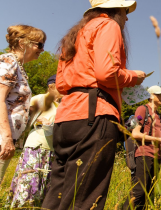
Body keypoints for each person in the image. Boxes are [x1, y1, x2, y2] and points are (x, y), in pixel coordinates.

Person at [42, 0, 147, 209]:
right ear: (115, 9)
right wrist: (134, 77)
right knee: (85, 198)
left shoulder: (76, 33)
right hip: (95, 115)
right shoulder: (109, 26)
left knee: (58, 194)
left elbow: (61, 84)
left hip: (65, 117)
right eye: (126, 11)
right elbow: (106, 73)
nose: (127, 17)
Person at [6, 75, 62, 208]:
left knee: (44, 185)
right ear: (51, 86)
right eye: (61, 85)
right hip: (36, 146)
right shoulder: (40, 99)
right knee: (29, 182)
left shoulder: (61, 105)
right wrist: (39, 120)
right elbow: (25, 119)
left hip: (51, 149)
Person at [0, 25, 46, 182]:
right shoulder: (9, 62)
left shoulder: (18, 67)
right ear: (22, 43)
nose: (42, 49)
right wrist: (6, 137)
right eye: (39, 44)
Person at [123, 85, 161, 210]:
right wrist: (158, 139)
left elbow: (155, 138)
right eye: (159, 94)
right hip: (143, 154)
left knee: (149, 194)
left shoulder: (158, 116)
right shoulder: (142, 109)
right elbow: (135, 133)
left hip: (156, 156)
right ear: (151, 96)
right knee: (138, 192)